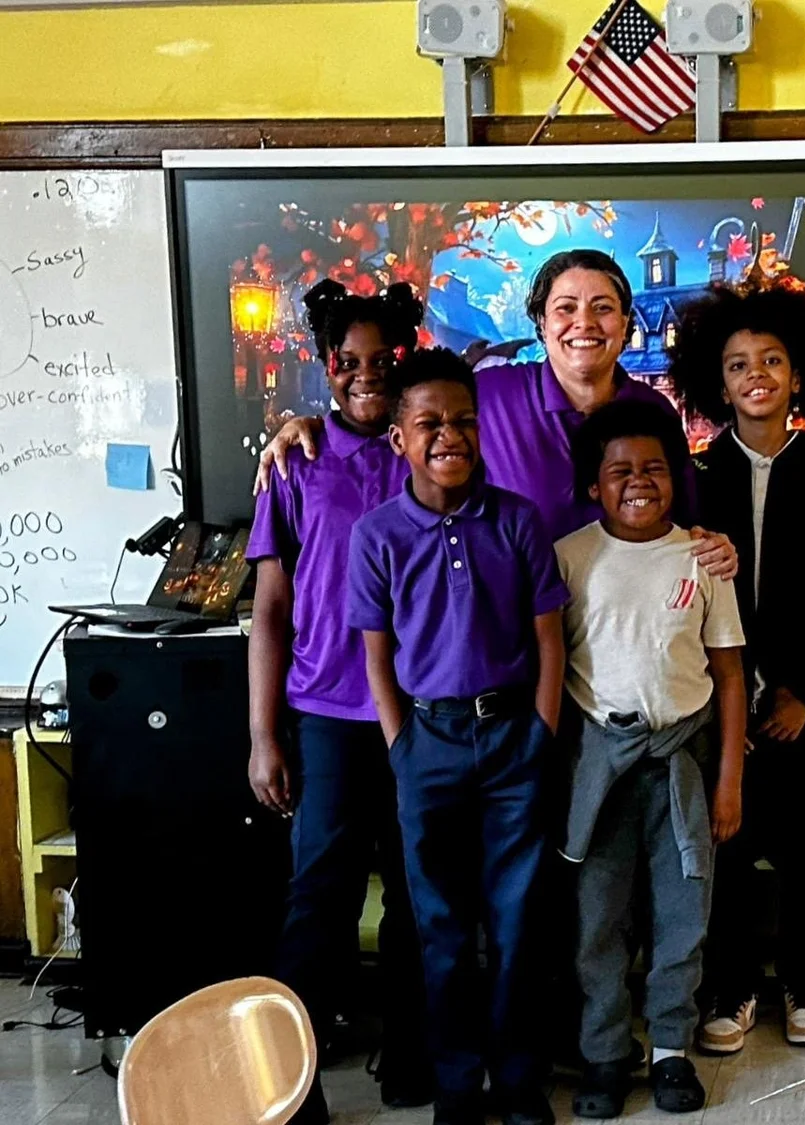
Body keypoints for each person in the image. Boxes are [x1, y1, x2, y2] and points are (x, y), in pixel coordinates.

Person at [346, 348, 568, 1125]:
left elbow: (549, 639)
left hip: (513, 739)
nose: (451, 435)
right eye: (430, 423)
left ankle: (517, 1079)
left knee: (517, 922)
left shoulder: (516, 520)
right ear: (401, 437)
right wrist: (401, 742)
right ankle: (455, 1082)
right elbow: (377, 653)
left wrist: (541, 729)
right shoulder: (376, 534)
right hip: (428, 744)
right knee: (439, 927)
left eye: (464, 421)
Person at [245, 279, 429, 1124]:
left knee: (416, 890)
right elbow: (271, 608)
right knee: (318, 894)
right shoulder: (297, 460)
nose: (364, 376)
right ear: (325, 365)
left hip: (421, 711)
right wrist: (263, 735)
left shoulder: (426, 452)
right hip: (326, 713)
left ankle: (411, 1052)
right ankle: (291, 1075)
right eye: (347, 362)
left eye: (380, 361)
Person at [256, 248, 735, 567]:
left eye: (603, 308)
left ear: (626, 324)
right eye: (565, 307)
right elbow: (407, 412)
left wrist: (716, 547)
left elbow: (688, 529)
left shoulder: (654, 411)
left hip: (623, 646)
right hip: (520, 643)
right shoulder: (490, 394)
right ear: (542, 324)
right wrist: (310, 425)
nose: (583, 322)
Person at [668, 282, 805, 1053]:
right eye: (739, 363)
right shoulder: (695, 474)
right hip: (721, 704)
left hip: (801, 702)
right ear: (716, 383)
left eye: (773, 360)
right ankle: (733, 982)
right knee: (728, 847)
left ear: (798, 372)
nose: (757, 374)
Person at [555, 400, 747, 1118]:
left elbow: (729, 676)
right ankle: (604, 1050)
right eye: (621, 471)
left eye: (655, 469)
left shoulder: (703, 557)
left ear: (677, 477)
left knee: (681, 911)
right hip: (597, 770)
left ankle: (671, 1046)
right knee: (597, 917)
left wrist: (729, 780)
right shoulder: (570, 557)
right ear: (594, 485)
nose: (639, 482)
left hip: (681, 763)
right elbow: (556, 663)